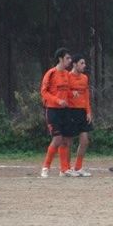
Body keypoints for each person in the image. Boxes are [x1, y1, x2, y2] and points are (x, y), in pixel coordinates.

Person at [39, 48, 76, 178]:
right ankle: (45, 167)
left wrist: (72, 94)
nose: (70, 61)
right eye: (67, 58)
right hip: (53, 110)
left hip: (65, 111)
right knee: (57, 139)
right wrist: (57, 100)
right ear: (60, 59)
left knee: (65, 140)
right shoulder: (51, 73)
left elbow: (67, 91)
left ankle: (64, 169)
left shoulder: (67, 74)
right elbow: (44, 92)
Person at [66, 54, 94, 176]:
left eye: (84, 63)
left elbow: (86, 96)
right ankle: (66, 168)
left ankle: (78, 167)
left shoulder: (84, 78)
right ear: (74, 64)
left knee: (85, 140)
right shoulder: (67, 76)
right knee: (68, 141)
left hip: (82, 112)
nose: (84, 65)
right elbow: (63, 92)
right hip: (70, 111)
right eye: (81, 63)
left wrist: (88, 111)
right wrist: (71, 93)